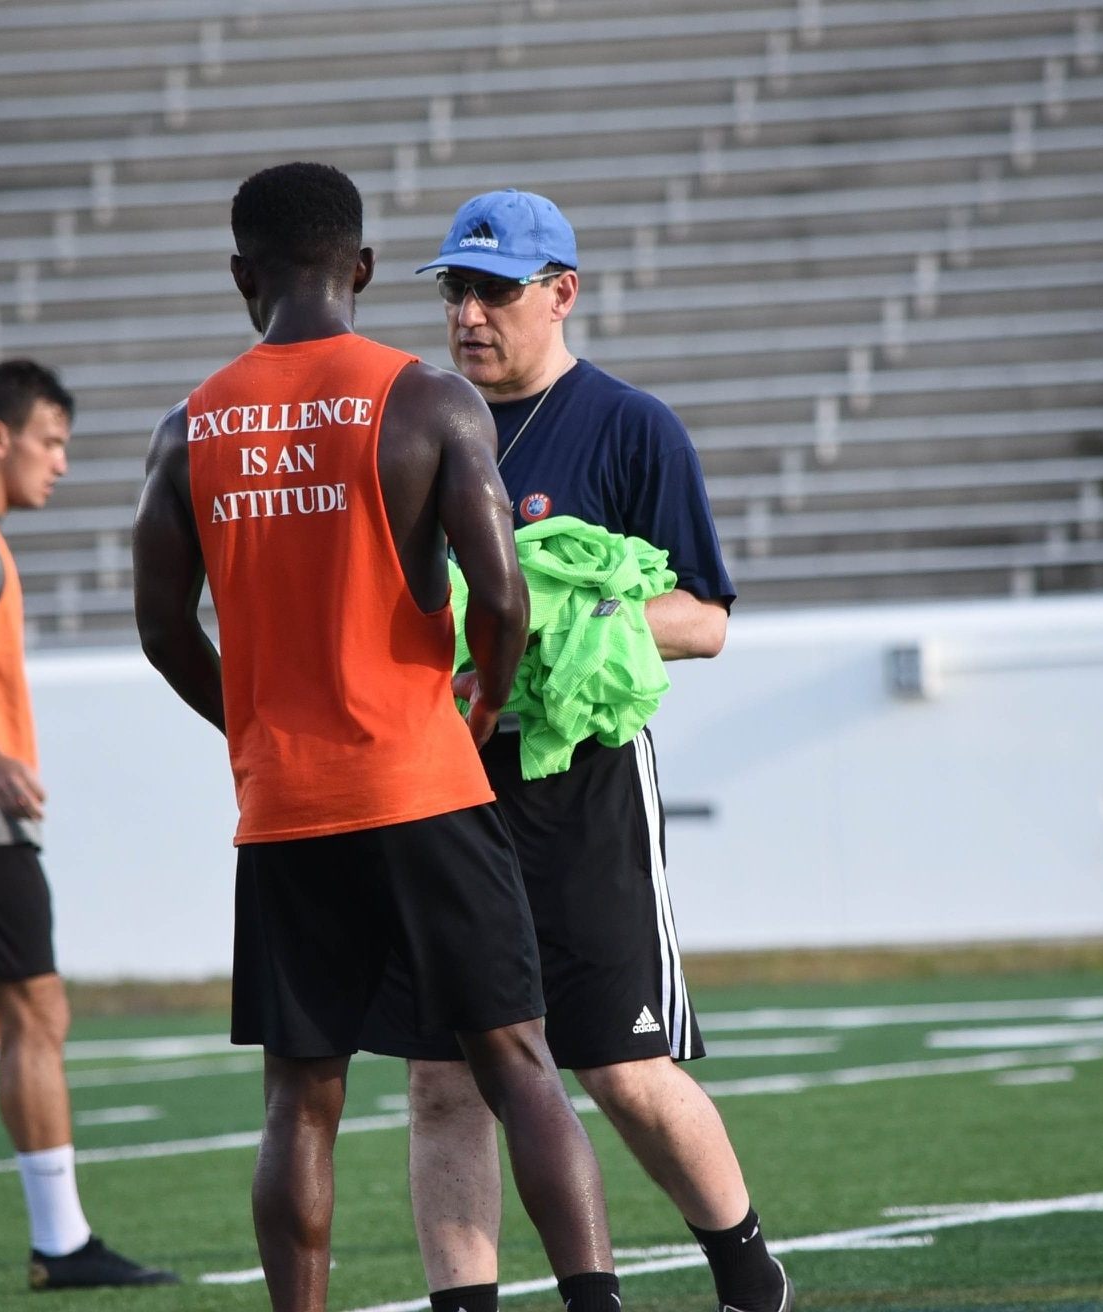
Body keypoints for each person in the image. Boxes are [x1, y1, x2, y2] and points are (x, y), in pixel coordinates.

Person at [131, 161, 623, 1312]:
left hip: (287, 804)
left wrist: (249, 723)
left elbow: (160, 628)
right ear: (358, 268)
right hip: (424, 782)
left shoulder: (187, 427)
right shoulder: (427, 399)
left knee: (300, 1098)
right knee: (517, 1064)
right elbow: (498, 598)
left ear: (241, 276)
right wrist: (482, 701)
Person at [361, 189, 794, 1312]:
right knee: (441, 1080)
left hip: (583, 788)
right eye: (455, 289)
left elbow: (705, 617)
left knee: (622, 1070)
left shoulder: (627, 424)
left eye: (494, 290)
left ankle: (749, 1276)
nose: (467, 313)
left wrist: (560, 622)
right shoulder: (409, 423)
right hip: (438, 783)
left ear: (562, 293)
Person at [0, 360, 179, 1297]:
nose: (59, 464)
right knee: (36, 1012)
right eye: (51, 442)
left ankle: (62, 1241)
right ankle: (62, 1243)